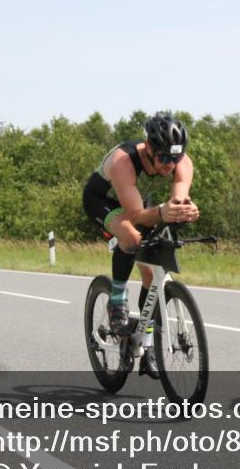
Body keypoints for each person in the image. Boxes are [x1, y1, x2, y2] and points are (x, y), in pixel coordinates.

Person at [82, 114, 200, 378]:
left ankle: (146, 346)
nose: (170, 165)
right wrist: (163, 212)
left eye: (175, 158)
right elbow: (136, 216)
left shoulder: (181, 161)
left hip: (141, 205)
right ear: (148, 148)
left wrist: (184, 210)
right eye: (164, 158)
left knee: (151, 272)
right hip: (102, 202)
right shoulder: (123, 161)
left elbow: (177, 199)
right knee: (131, 237)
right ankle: (116, 302)